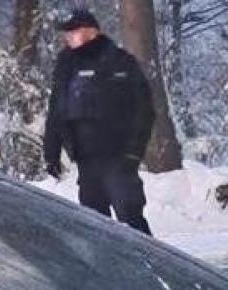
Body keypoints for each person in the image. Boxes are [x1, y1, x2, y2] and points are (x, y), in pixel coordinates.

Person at [43, 9, 155, 235]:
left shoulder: (120, 62)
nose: (68, 37)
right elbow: (57, 111)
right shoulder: (66, 66)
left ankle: (150, 259)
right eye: (67, 33)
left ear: (91, 32)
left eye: (73, 31)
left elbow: (143, 111)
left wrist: (133, 153)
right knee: (94, 225)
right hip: (86, 161)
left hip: (119, 158)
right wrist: (51, 153)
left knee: (131, 219)